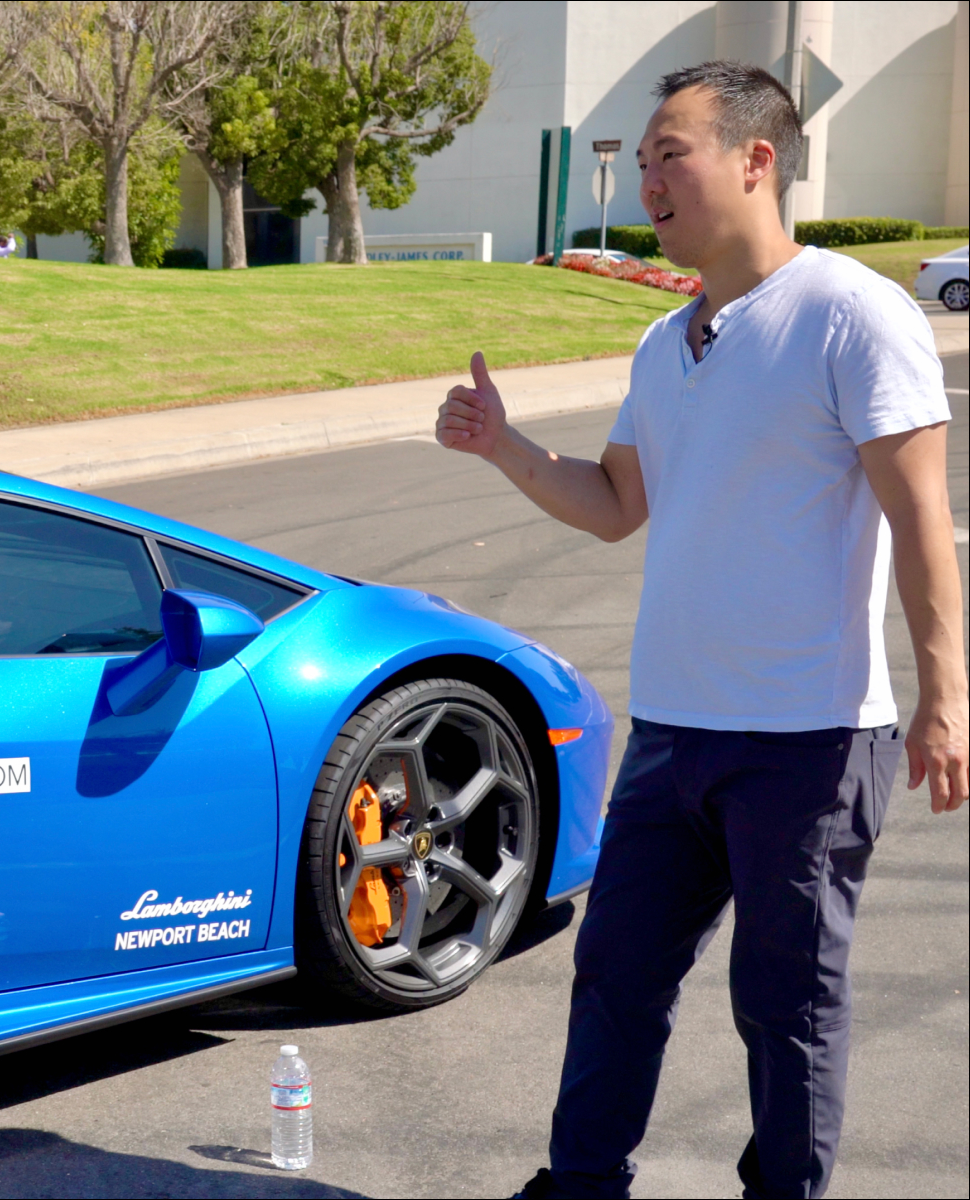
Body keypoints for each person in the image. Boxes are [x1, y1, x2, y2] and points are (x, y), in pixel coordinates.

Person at [435, 61, 966, 1200]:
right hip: (674, 732)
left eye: (668, 155)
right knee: (613, 976)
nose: (647, 185)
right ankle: (579, 1187)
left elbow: (920, 515)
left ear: (754, 159)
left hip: (808, 739)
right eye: (640, 165)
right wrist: (504, 450)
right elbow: (618, 505)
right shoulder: (663, 343)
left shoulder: (848, 313)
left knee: (785, 1010)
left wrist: (943, 696)